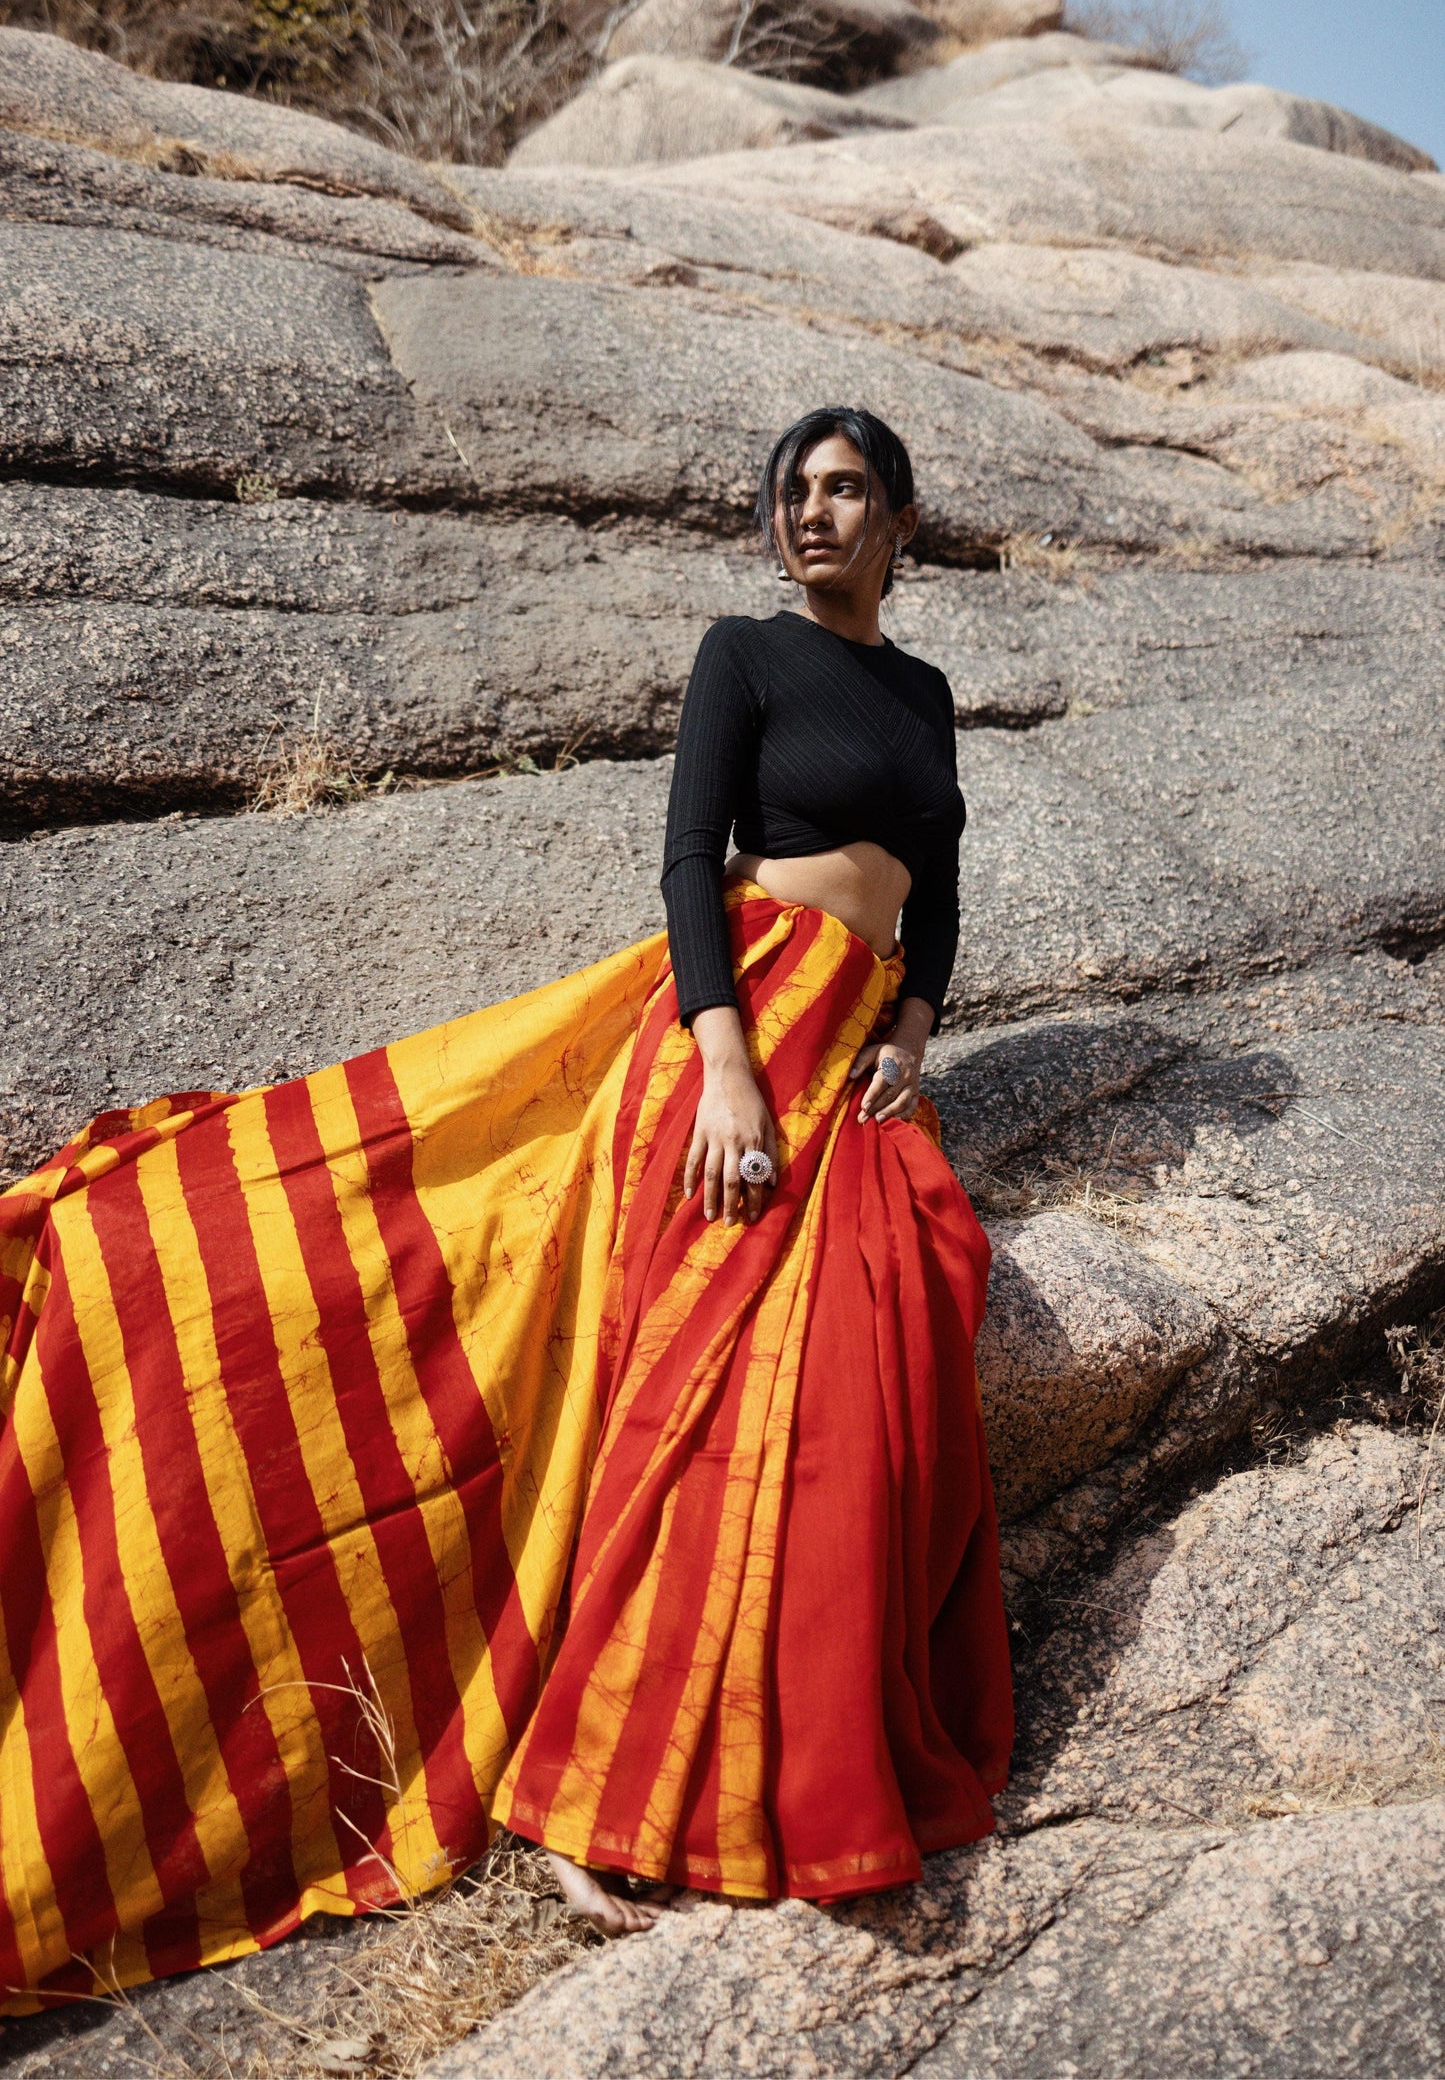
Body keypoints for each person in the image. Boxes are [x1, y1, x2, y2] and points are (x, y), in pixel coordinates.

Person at [0, 408, 1011, 2007]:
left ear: (899, 518)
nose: (810, 514)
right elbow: (691, 864)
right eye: (791, 493)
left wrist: (911, 1028)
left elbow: (935, 892)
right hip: (742, 1029)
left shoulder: (922, 694)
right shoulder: (741, 653)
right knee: (701, 1395)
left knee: (904, 1332)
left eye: (843, 491)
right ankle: (570, 1796)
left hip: (854, 1059)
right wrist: (726, 1069)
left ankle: (775, 1754)